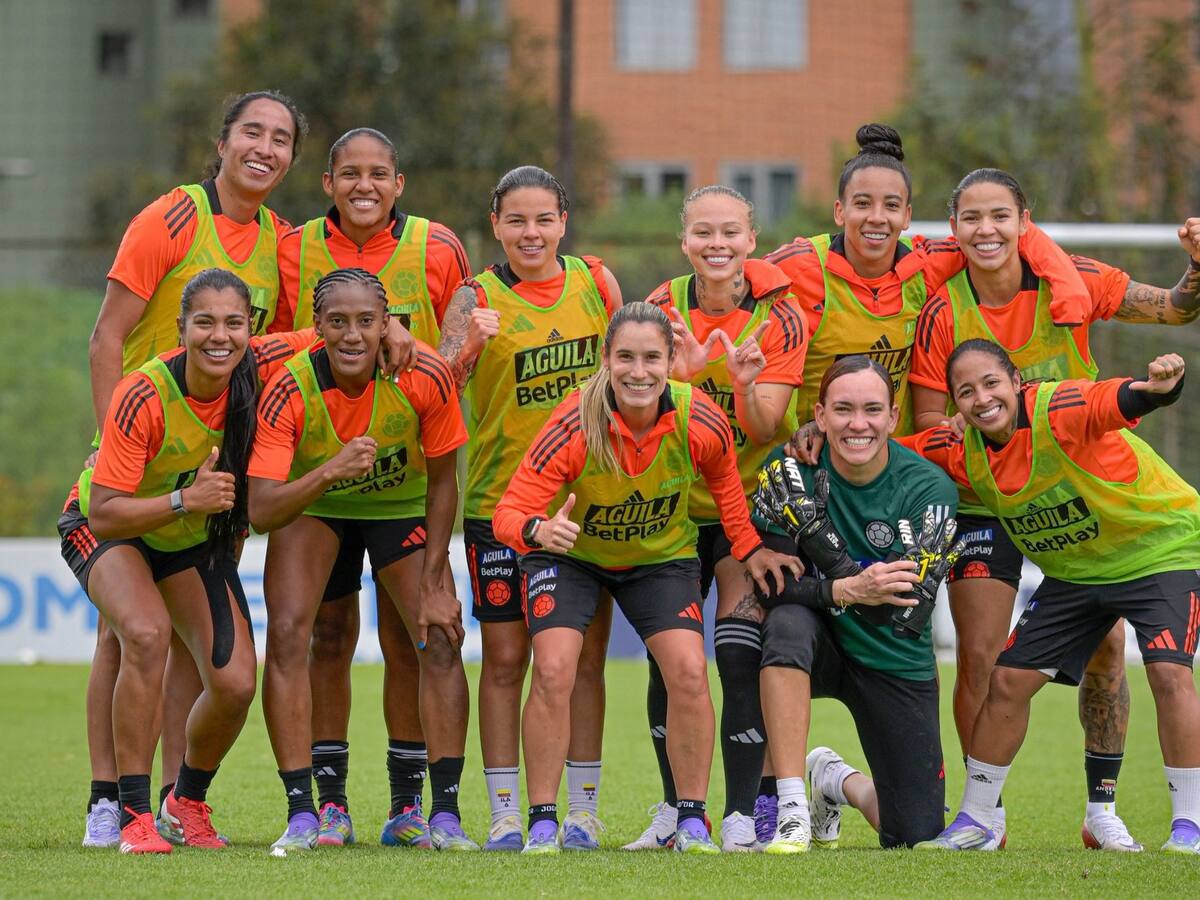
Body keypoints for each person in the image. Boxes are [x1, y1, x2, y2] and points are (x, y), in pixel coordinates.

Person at [908, 168, 1200, 850]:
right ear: (953, 230)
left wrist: (1195, 270)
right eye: (971, 218)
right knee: (986, 661)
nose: (986, 230)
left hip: (1082, 495)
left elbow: (1177, 312)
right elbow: (926, 431)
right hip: (987, 497)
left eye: (999, 216)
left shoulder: (1073, 279)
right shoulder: (943, 314)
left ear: (1023, 220)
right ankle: (983, 818)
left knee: (1111, 653)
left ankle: (1104, 809)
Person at [81, 90, 307, 849]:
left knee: (188, 643)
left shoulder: (282, 240)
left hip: (214, 467)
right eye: (252, 131)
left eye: (280, 139)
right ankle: (110, 799)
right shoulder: (172, 217)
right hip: (138, 454)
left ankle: (176, 801)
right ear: (223, 141)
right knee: (128, 636)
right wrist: (109, 439)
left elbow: (280, 349)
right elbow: (107, 337)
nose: (264, 148)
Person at [494, 301, 802, 855]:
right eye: (626, 358)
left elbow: (728, 490)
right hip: (571, 558)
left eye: (652, 358)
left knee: (687, 670)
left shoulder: (699, 416)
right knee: (555, 669)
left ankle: (691, 821)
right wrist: (538, 530)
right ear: (606, 360)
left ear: (670, 360)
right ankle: (543, 822)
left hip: (659, 560)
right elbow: (507, 513)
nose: (639, 371)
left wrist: (750, 547)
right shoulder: (573, 421)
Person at [60, 268, 313, 854]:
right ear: (182, 329)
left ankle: (185, 803)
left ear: (250, 327)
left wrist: (402, 342)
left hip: (188, 539)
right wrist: (184, 499)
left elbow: (329, 335)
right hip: (108, 530)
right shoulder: (142, 394)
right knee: (145, 635)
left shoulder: (257, 364)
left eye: (233, 322)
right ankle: (130, 815)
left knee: (234, 683)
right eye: (204, 322)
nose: (219, 336)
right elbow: (103, 512)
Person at [274, 127, 470, 848]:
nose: (364, 185)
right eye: (349, 173)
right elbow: (260, 344)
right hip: (315, 485)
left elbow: (460, 350)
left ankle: (416, 808)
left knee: (421, 637)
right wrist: (360, 332)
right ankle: (326, 806)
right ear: (327, 183)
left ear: (399, 183)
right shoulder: (291, 248)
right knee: (323, 636)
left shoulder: (439, 246)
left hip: (402, 483)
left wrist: (425, 353)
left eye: (378, 173)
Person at [437, 165, 622, 851]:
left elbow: (632, 372)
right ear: (496, 226)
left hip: (584, 507)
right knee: (508, 659)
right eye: (516, 220)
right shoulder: (475, 296)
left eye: (543, 218)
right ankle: (508, 813)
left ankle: (581, 810)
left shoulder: (595, 284)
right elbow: (435, 387)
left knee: (582, 661)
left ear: (563, 221)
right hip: (498, 506)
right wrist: (470, 345)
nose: (531, 232)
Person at [629, 185, 806, 851]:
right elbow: (637, 413)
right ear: (684, 241)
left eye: (730, 232)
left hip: (750, 507)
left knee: (736, 653)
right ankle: (676, 810)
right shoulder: (660, 309)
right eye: (703, 232)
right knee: (668, 661)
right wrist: (680, 376)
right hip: (673, 509)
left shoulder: (780, 316)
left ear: (751, 240)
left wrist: (735, 380)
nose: (717, 244)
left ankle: (738, 816)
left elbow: (764, 425)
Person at [750, 355, 959, 852]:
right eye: (843, 410)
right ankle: (789, 806)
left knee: (912, 835)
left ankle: (834, 780)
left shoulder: (929, 488)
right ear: (819, 416)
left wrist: (828, 560)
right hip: (816, 640)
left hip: (891, 656)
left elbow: (902, 609)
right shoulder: (787, 473)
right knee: (782, 626)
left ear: (892, 416)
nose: (857, 424)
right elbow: (772, 586)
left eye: (872, 410)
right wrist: (844, 589)